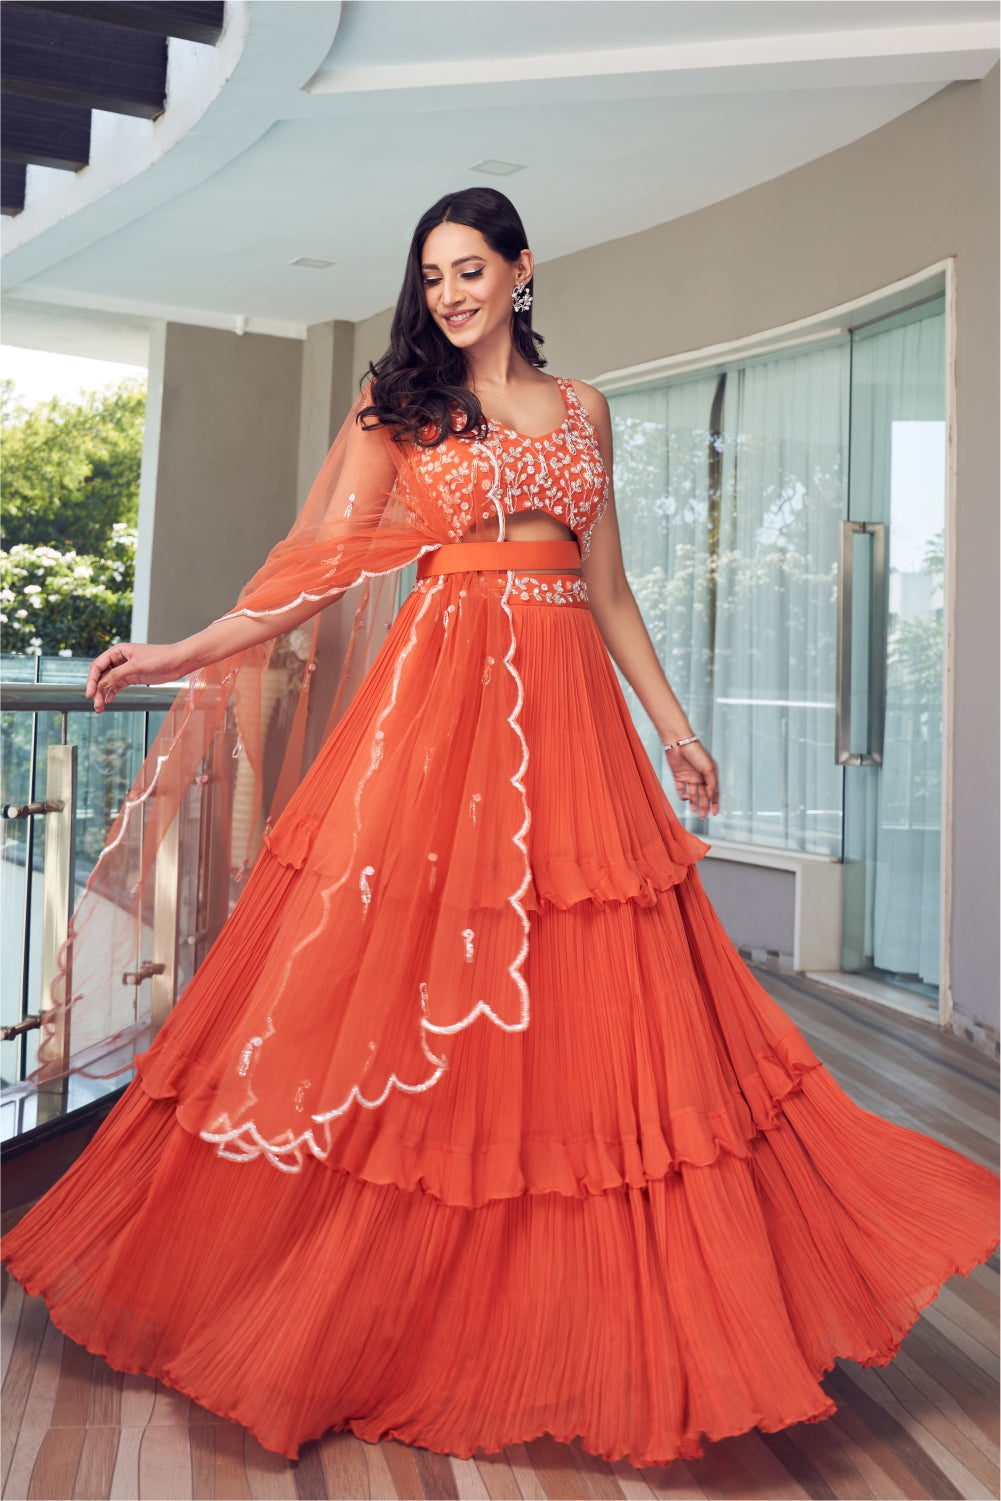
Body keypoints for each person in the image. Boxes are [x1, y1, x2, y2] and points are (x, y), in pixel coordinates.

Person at [3, 188, 997, 1468]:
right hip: (439, 712)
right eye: (431, 275)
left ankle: (581, 1307)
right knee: (418, 979)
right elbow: (306, 570)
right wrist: (177, 651)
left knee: (591, 989)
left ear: (521, 271)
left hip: (574, 718)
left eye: (471, 269)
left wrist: (676, 729)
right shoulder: (397, 410)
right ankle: (369, 1296)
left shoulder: (582, 408)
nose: (451, 292)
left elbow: (609, 586)